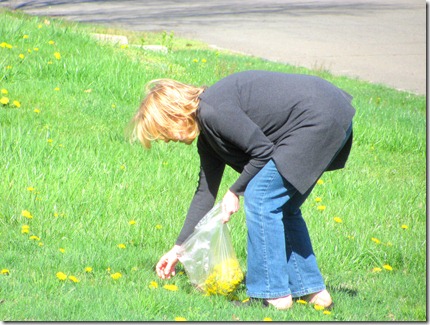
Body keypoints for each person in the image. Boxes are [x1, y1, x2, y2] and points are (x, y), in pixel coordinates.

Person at [130, 70, 355, 310]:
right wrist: (178, 249)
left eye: (163, 131)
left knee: (260, 197)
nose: (165, 140)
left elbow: (262, 151)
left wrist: (235, 190)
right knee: (283, 206)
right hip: (329, 112)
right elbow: (205, 193)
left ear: (173, 114)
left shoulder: (212, 110)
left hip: (318, 116)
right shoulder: (208, 136)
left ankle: (273, 296)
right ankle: (314, 294)